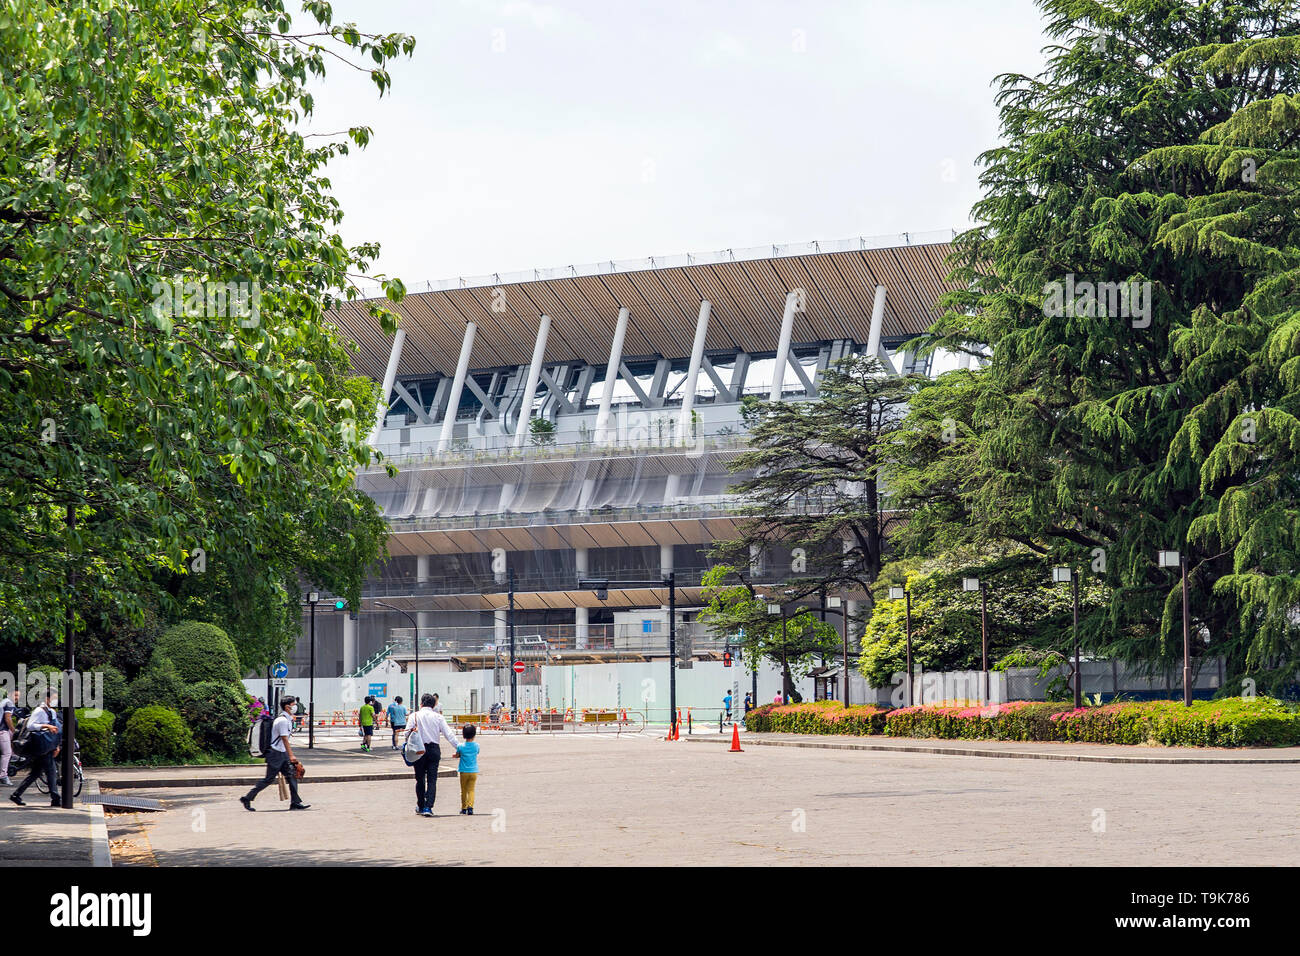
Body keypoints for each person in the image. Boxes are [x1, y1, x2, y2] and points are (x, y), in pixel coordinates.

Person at [239, 696, 309, 811]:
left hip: (281, 752)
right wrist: (291, 755)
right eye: (293, 704)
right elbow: (284, 739)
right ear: (287, 706)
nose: (294, 707)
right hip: (275, 753)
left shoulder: (287, 719)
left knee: (292, 775)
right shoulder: (282, 721)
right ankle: (247, 798)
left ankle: (295, 802)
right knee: (269, 779)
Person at [404, 693, 458, 817]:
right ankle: (429, 807)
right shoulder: (438, 717)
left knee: (420, 779)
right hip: (434, 749)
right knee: (432, 779)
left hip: (419, 750)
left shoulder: (414, 715)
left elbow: (405, 734)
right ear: (434, 705)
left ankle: (421, 805)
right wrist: (458, 747)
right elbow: (449, 734)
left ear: (421, 703)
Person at [9, 691, 60, 807]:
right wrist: (46, 726)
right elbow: (30, 726)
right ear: (47, 698)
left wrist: (56, 746)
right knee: (51, 771)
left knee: (36, 773)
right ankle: (55, 798)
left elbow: (55, 731)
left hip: (47, 746)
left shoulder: (52, 711)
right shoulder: (39, 711)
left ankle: (16, 795)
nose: (55, 701)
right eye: (54, 698)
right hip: (40, 746)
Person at [456, 724, 480, 815]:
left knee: (464, 790)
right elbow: (477, 753)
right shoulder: (476, 746)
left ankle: (464, 808)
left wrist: (456, 756)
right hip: (474, 771)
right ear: (474, 734)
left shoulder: (460, 746)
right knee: (471, 790)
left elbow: (458, 755)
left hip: (463, 771)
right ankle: (471, 807)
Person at [1, 688, 17, 785]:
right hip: (2, 730)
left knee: (13, 737)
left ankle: (15, 755)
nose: (17, 698)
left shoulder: (4, 702)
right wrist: (13, 729)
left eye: (18, 696)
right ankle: (3, 776)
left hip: (3, 730)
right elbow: (7, 718)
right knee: (6, 753)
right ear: (10, 694)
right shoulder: (9, 703)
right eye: (15, 695)